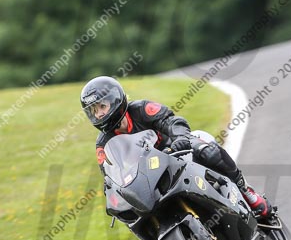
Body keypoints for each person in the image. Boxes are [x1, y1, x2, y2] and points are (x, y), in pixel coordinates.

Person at [80, 75, 275, 221]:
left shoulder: (141, 109)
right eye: (93, 111)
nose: (98, 114)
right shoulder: (103, 144)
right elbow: (110, 174)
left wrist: (180, 138)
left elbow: (171, 120)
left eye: (101, 107)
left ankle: (247, 193)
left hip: (177, 154)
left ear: (115, 99)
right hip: (149, 180)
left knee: (206, 147)